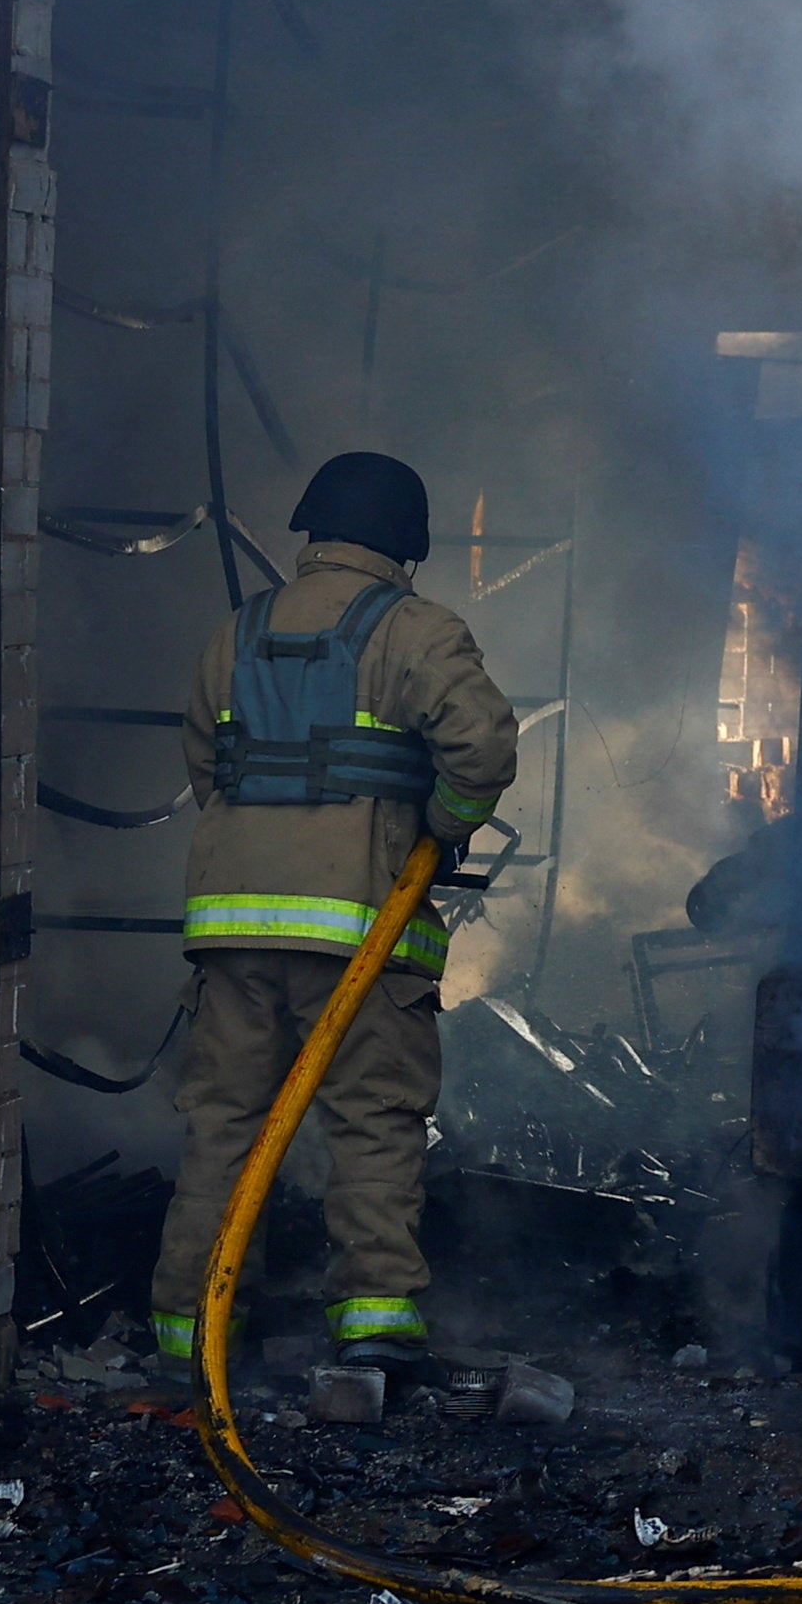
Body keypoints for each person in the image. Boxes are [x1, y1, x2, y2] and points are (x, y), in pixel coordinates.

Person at [146, 452, 520, 1369]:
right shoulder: (419, 632)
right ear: (407, 540)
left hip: (232, 936)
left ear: (316, 529)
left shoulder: (234, 634)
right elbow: (483, 748)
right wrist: (439, 829)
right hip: (360, 930)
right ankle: (374, 1318)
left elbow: (209, 768)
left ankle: (192, 1328)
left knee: (226, 1122)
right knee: (373, 1116)